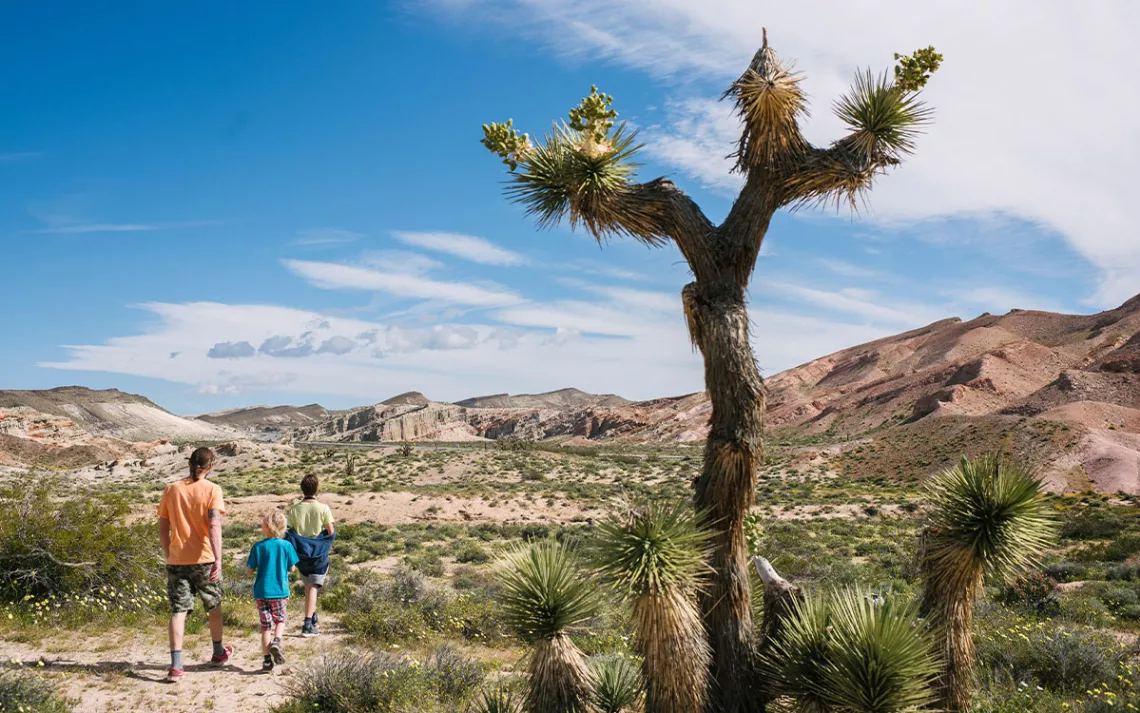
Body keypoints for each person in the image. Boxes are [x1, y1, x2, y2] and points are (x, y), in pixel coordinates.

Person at [157, 446, 233, 684]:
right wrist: (218, 558)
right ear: (210, 467)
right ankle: (218, 652)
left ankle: (176, 665)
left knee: (179, 609)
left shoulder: (171, 490)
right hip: (205, 558)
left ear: (189, 463)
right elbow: (214, 525)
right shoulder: (212, 489)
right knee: (213, 605)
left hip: (177, 558)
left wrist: (170, 552)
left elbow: (163, 528)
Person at [246, 509, 299, 672]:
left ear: (267, 526)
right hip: (280, 591)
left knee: (265, 627)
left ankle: (267, 661)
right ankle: (277, 641)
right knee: (280, 620)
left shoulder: (258, 547)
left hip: (261, 591)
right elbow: (292, 568)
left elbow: (249, 571)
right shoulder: (287, 545)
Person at [285, 473, 335, 637]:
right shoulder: (323, 508)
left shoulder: (294, 509)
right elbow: (331, 532)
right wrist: (323, 544)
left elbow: (289, 531)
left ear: (302, 488)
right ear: (317, 488)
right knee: (313, 587)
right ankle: (307, 624)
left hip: (301, 554)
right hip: (318, 555)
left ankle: (313, 617)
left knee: (308, 585)